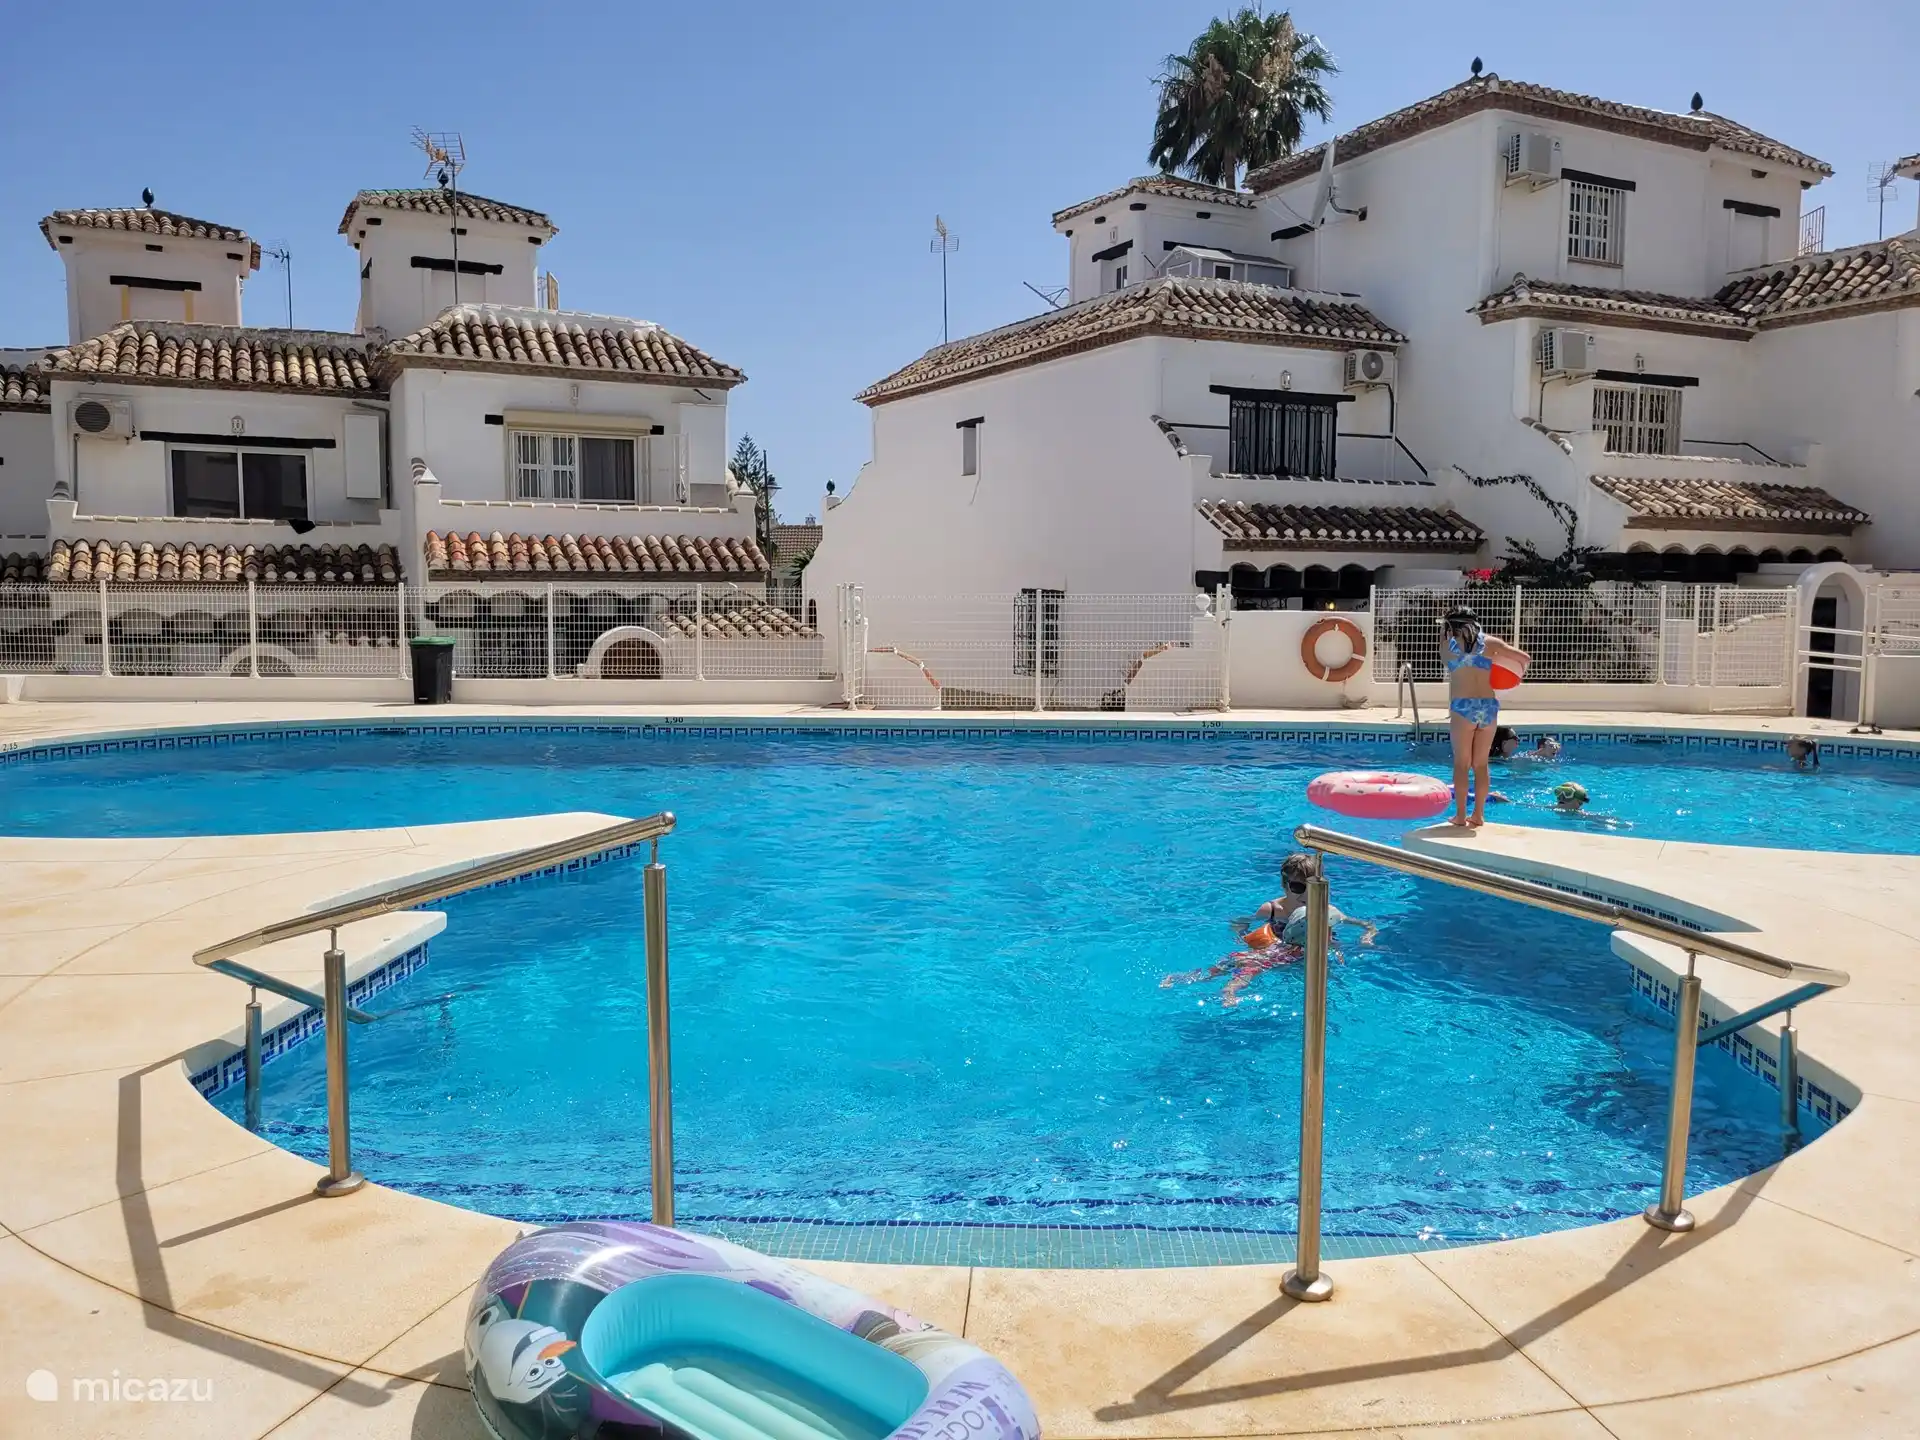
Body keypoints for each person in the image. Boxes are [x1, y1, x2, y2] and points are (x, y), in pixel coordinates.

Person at [1161, 854, 1375, 1006]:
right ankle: (1193, 981)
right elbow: (1239, 922)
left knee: (1328, 977)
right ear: (1285, 885)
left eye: (1312, 888)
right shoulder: (1272, 909)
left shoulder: (1326, 910)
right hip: (1277, 947)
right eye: (1298, 887)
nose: (1306, 894)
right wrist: (1240, 936)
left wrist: (1367, 937)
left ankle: (1229, 987)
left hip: (1310, 951)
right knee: (1241, 962)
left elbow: (1366, 925)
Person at [1442, 608, 1531, 828]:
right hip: (1488, 707)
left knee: (1462, 764)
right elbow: (1525, 658)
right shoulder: (1491, 644)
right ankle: (1479, 816)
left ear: (1451, 627)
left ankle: (1461, 817)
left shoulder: (1447, 647)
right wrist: (1512, 675)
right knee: (1481, 765)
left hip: (1463, 707)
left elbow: (1455, 665)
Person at [1493, 726, 1561, 761]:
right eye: (1515, 737)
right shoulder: (1496, 762)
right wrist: (1544, 750)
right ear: (1504, 744)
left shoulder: (1501, 760)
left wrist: (1545, 751)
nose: (1518, 739)